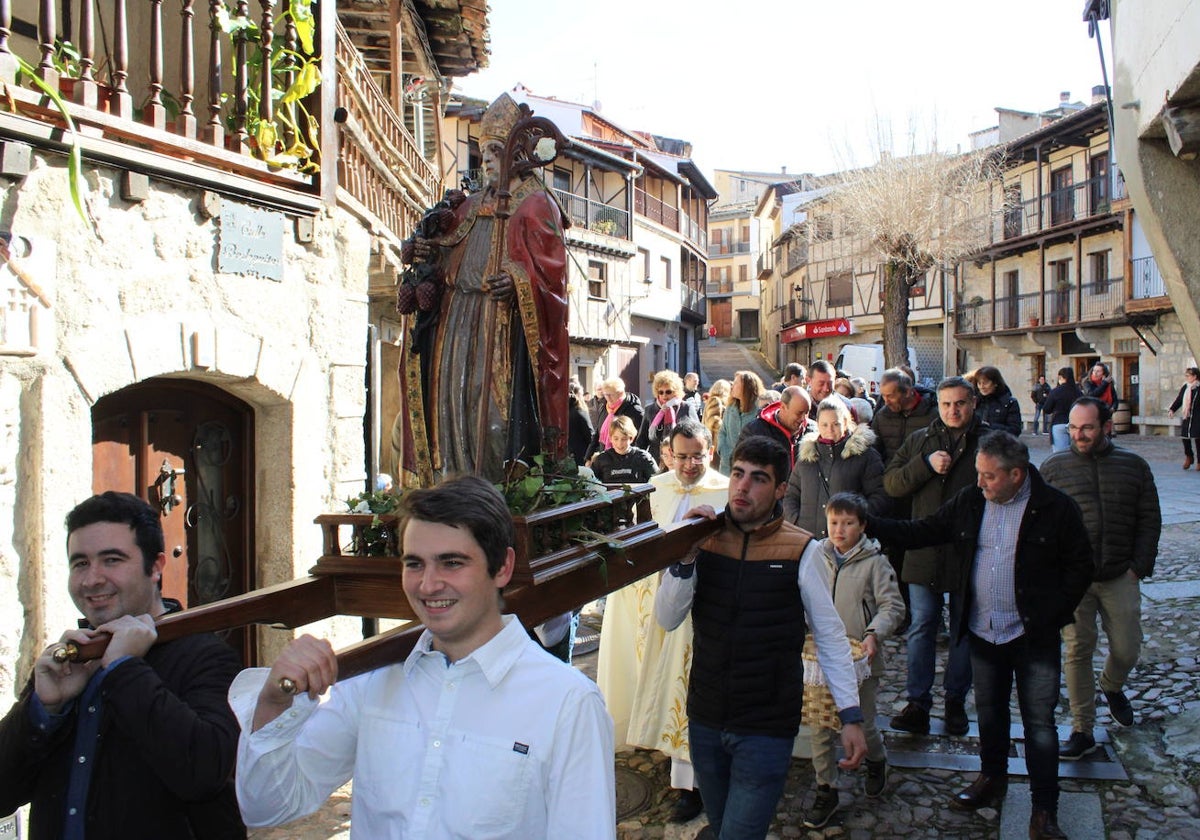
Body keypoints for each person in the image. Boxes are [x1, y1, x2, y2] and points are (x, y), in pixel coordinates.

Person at [232, 475, 616, 838]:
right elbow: (267, 807)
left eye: (452, 563)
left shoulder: (567, 703)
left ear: (502, 568)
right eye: (414, 563)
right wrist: (273, 702)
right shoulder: (371, 681)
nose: (428, 584)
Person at [867, 432, 1093, 840]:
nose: (981, 482)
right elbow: (926, 529)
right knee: (989, 713)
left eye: (989, 476)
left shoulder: (1055, 509)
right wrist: (870, 523)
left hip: (1032, 636)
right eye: (979, 474)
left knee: (1040, 724)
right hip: (983, 631)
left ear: (1017, 475)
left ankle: (1044, 808)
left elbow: (1080, 567)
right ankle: (992, 779)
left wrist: (1051, 616)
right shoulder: (972, 501)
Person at [655, 436, 867, 839]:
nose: (742, 487)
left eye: (757, 479)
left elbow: (830, 635)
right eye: (737, 474)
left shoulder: (801, 550)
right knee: (720, 827)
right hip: (706, 718)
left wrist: (851, 715)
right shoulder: (706, 536)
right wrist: (685, 556)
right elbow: (667, 618)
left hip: (766, 724)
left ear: (780, 489)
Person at [0, 491, 245, 839]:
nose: (92, 579)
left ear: (156, 566)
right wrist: (43, 709)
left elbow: (203, 774)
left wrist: (125, 671)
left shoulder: (206, 656)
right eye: (80, 563)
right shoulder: (69, 659)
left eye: (112, 560)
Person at [391, 93, 570, 487]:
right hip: (455, 327)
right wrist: (426, 252)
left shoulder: (536, 205)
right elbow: (445, 254)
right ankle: (451, 483)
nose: (486, 159)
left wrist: (519, 282)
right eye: (483, 150)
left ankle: (494, 489)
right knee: (452, 408)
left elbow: (554, 281)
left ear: (517, 154)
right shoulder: (469, 207)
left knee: (492, 420)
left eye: (495, 150)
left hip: (499, 329)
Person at [597, 421, 729, 824]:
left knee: (687, 691)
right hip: (655, 601)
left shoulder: (725, 491)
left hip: (702, 606)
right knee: (663, 686)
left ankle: (693, 784)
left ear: (711, 452)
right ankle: (669, 761)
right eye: (682, 456)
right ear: (669, 453)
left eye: (698, 456)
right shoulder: (656, 488)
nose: (690, 465)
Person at [1041, 398, 1161, 759]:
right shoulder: (1054, 468)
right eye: (1073, 428)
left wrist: (1138, 565)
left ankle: (1112, 685)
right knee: (1077, 650)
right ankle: (1082, 729)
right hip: (1074, 579)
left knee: (1127, 647)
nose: (1078, 434)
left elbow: (1149, 518)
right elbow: (1041, 522)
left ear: (1106, 427)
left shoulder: (1133, 466)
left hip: (1119, 573)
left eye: (1087, 427)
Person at [883, 376, 988, 737]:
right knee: (922, 627)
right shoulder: (920, 440)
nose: (952, 411)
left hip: (970, 552)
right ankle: (917, 703)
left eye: (959, 403)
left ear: (972, 403)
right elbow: (892, 482)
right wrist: (925, 465)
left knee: (962, 630)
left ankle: (955, 702)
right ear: (938, 406)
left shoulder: (988, 442)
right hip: (924, 549)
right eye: (946, 404)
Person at [804, 492, 905, 829]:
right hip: (820, 660)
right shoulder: (816, 556)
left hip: (860, 660)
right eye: (834, 522)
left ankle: (876, 760)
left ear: (862, 526)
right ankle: (826, 788)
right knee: (820, 728)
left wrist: (874, 633)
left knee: (864, 722)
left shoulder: (875, 563)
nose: (839, 530)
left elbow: (893, 606)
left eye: (848, 523)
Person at [783, 396, 888, 538]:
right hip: (808, 541)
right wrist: (796, 522)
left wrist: (855, 521)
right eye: (824, 425)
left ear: (845, 422)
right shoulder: (806, 458)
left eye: (836, 424)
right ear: (817, 424)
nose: (830, 430)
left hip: (849, 542)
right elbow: (791, 495)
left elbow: (879, 496)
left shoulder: (866, 456)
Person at [738, 385, 813, 470]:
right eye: (799, 413)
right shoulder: (755, 431)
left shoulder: (814, 431)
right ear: (783, 407)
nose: (803, 418)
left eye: (807, 413)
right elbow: (740, 465)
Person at [636, 370, 700, 468]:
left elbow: (698, 435)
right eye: (660, 392)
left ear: (676, 391)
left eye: (668, 391)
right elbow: (642, 441)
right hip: (657, 463)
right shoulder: (650, 410)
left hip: (682, 462)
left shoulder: (686, 408)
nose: (664, 395)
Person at [586, 376, 645, 462]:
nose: (608, 398)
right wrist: (588, 457)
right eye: (606, 394)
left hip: (626, 461)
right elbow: (597, 434)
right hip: (606, 460)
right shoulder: (604, 407)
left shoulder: (634, 410)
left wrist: (632, 461)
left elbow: (641, 440)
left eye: (611, 395)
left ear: (621, 393)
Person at [589, 415, 658, 484]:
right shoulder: (601, 459)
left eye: (624, 439)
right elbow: (590, 483)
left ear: (631, 438)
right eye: (616, 439)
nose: (620, 443)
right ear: (610, 438)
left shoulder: (643, 457)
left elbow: (657, 481)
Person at [716, 370, 764, 467]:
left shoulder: (759, 411)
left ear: (747, 387)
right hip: (726, 466)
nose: (732, 386)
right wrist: (723, 451)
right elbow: (722, 432)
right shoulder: (730, 408)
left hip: (749, 466)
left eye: (736, 383)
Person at [970, 366, 1022, 435]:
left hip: (999, 443)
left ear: (995, 383)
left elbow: (1015, 430)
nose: (982, 387)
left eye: (985, 383)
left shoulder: (1009, 403)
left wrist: (990, 426)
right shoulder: (973, 401)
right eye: (979, 383)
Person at [1167, 366, 1200, 469]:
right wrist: (1172, 409)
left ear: (1195, 376)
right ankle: (1189, 457)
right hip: (1187, 416)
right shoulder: (1186, 387)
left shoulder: (1199, 388)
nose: (1186, 377)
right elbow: (1179, 400)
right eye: (1186, 375)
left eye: (1188, 376)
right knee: (1185, 438)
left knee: (1198, 439)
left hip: (1198, 416)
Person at [1043, 367, 1082, 453]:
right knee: (1077, 453)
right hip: (1076, 424)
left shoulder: (1055, 391)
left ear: (1061, 377)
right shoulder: (1078, 392)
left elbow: (1047, 409)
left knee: (1060, 454)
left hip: (1059, 423)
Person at [702, 379, 731, 469]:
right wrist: (726, 428)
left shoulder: (714, 400)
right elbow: (713, 420)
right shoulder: (716, 400)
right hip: (715, 441)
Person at [568, 379, 595, 466]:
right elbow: (590, 434)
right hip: (581, 455)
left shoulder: (565, 411)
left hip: (570, 454)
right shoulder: (579, 411)